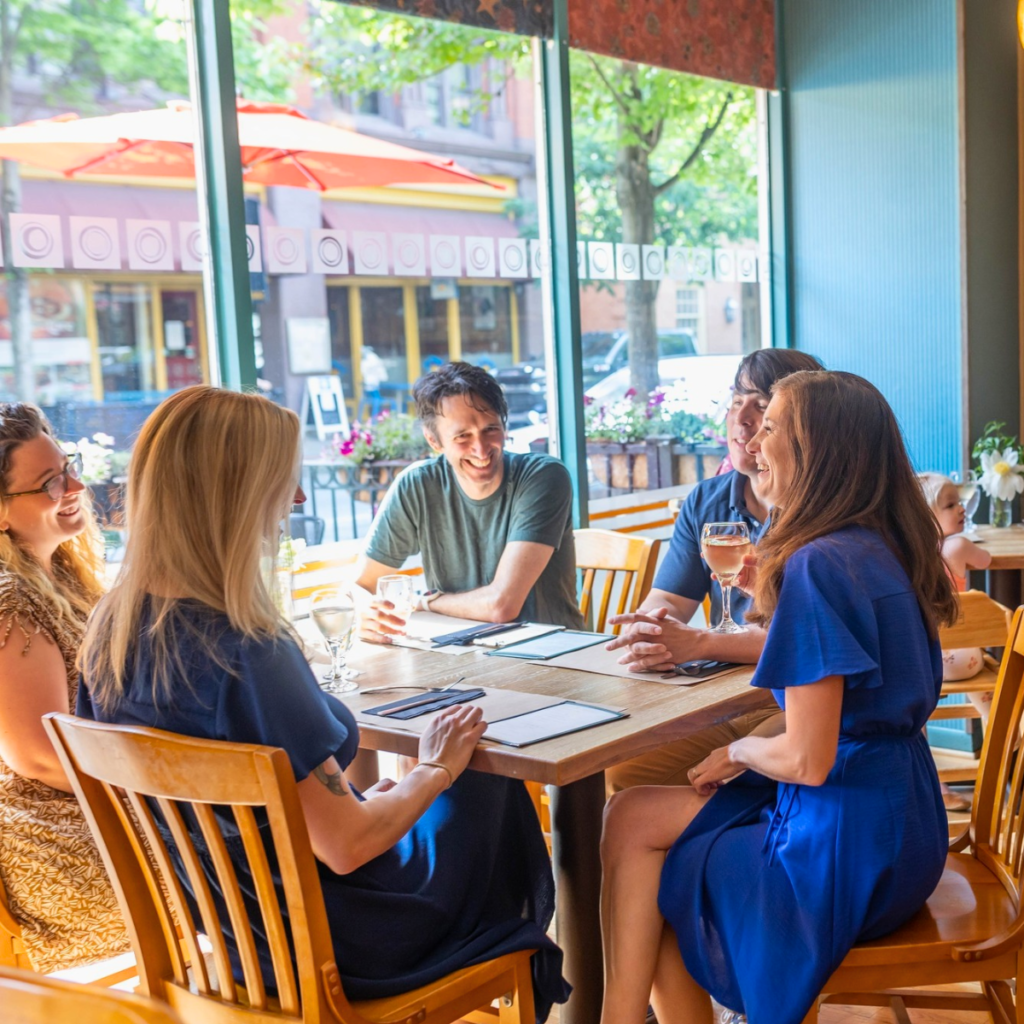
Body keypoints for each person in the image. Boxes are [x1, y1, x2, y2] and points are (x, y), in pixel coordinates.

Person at [77, 386, 569, 1018]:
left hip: (234, 942)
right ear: (233, 493)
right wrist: (435, 767)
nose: (299, 500)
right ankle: (534, 975)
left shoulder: (108, 641)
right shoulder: (249, 653)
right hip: (341, 948)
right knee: (483, 781)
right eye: (285, 481)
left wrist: (394, 792)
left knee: (430, 796)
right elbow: (347, 845)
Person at [598, 371, 954, 1024]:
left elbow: (808, 760)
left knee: (653, 860)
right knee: (634, 818)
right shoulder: (885, 547)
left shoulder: (820, 565)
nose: (754, 443)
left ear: (816, 449)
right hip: (908, 832)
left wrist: (739, 748)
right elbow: (848, 716)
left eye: (772, 426)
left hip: (844, 851)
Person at [604, 349, 823, 792]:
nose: (741, 421)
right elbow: (670, 599)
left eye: (761, 406)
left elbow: (808, 645)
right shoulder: (707, 501)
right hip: (718, 699)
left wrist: (703, 642)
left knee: (718, 787)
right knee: (620, 775)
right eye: (736, 400)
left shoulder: (822, 514)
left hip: (795, 702)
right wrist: (651, 632)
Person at [0, 403, 129, 972]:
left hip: (100, 810)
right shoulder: (10, 600)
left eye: (68, 466)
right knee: (258, 860)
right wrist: (162, 787)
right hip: (62, 844)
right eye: (50, 482)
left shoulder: (63, 575)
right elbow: (38, 756)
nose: (76, 485)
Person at [357, 361, 584, 639]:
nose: (480, 449)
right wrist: (365, 610)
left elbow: (501, 606)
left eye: (490, 429)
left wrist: (424, 602)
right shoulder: (417, 484)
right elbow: (360, 585)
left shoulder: (543, 476)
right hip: (458, 651)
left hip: (550, 656)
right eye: (462, 436)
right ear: (434, 441)